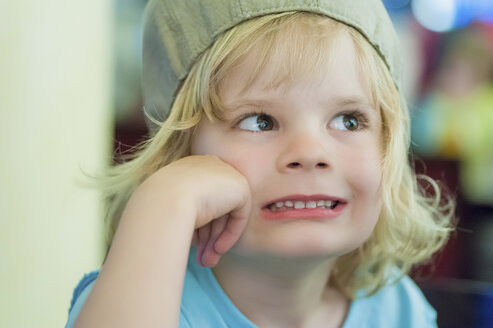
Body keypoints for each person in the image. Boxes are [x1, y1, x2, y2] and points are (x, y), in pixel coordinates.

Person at [65, 0, 455, 327]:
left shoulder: (397, 307)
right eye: (259, 121)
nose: (310, 153)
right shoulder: (134, 303)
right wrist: (164, 201)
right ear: (178, 153)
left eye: (348, 120)